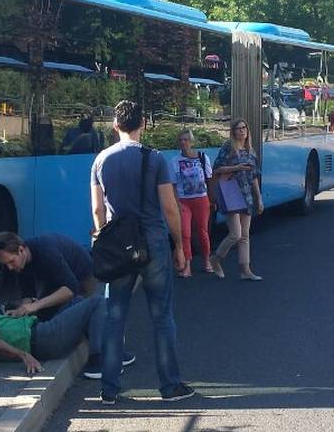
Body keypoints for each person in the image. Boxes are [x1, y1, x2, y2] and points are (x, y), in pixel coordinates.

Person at [90, 100, 194, 405]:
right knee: (162, 316)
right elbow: (170, 209)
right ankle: (170, 386)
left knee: (114, 316)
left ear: (114, 125)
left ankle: (109, 389)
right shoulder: (156, 159)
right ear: (143, 124)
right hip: (153, 243)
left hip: (119, 249)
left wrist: (103, 237)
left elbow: (97, 210)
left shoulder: (100, 161)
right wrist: (179, 246)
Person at [0, 295, 135, 379]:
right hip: (42, 338)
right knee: (97, 302)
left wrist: (13, 314)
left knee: (76, 301)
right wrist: (24, 355)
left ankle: (115, 352)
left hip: (39, 332)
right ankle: (98, 362)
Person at [208, 118, 264, 281]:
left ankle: (245, 270)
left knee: (245, 236)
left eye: (244, 128)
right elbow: (217, 169)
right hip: (232, 193)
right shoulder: (228, 148)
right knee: (235, 234)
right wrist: (236, 168)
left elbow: (253, 176)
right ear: (233, 132)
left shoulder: (250, 151)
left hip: (246, 195)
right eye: (239, 129)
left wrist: (259, 198)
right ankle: (215, 258)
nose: (242, 131)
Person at [0, 232, 96, 319]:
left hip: (83, 275)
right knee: (43, 315)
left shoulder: (46, 252)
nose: (10, 268)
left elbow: (71, 289)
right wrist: (19, 311)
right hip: (56, 278)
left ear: (21, 250)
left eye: (11, 261)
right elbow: (28, 296)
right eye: (6, 264)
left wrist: (35, 306)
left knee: (76, 319)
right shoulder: (21, 264)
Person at [169, 129, 214, 277]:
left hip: (201, 199)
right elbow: (173, 186)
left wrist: (212, 199)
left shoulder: (202, 157)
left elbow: (209, 179)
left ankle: (207, 260)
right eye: (181, 140)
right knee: (185, 233)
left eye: (186, 139)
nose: (183, 142)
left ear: (191, 141)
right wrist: (177, 203)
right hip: (184, 201)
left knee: (202, 232)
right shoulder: (175, 162)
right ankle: (187, 265)